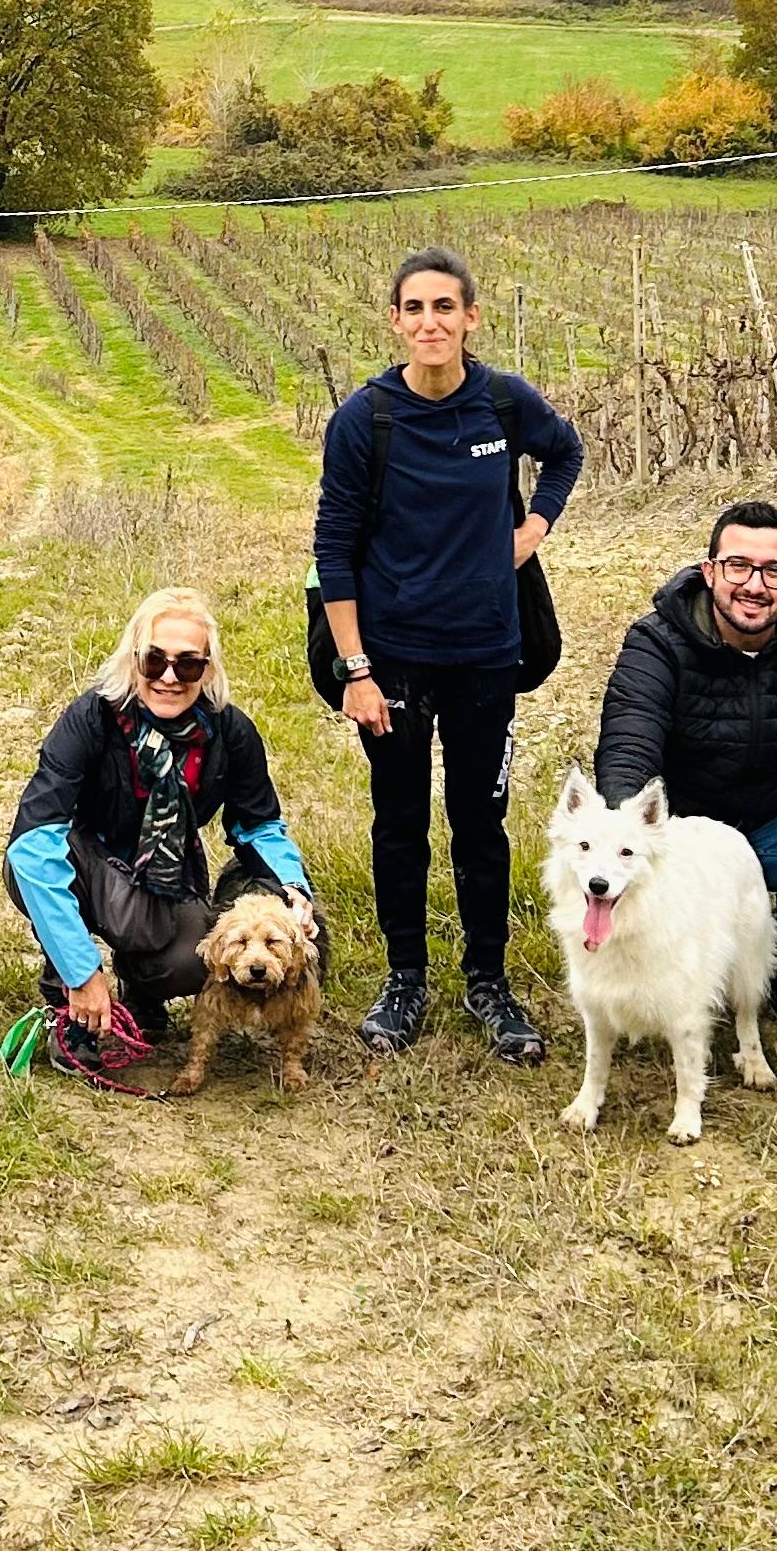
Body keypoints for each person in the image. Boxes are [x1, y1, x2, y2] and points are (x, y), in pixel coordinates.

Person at [313, 244, 582, 1061]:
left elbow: (565, 452)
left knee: (481, 821)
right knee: (398, 820)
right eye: (414, 309)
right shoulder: (366, 419)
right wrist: (355, 671)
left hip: (485, 657)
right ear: (395, 322)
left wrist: (534, 528)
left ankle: (489, 981)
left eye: (445, 308)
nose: (430, 322)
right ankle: (404, 978)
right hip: (392, 658)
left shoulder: (504, 404)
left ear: (470, 318)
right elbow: (334, 551)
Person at [591, 498, 777, 1023]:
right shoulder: (656, 644)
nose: (754, 585)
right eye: (739, 566)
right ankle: (689, 969)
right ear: (710, 571)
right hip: (685, 835)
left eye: (773, 571)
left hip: (775, 818)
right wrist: (632, 838)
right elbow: (628, 750)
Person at [3, 586, 316, 1089]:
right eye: (155, 661)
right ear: (134, 660)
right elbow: (34, 845)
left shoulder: (229, 732)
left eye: (188, 665)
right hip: (89, 864)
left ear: (207, 670)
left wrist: (293, 891)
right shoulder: (90, 720)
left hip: (166, 879)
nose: (169, 677)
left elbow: (258, 825)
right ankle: (69, 1002)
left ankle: (138, 987)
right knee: (38, 864)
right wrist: (82, 971)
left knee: (201, 960)